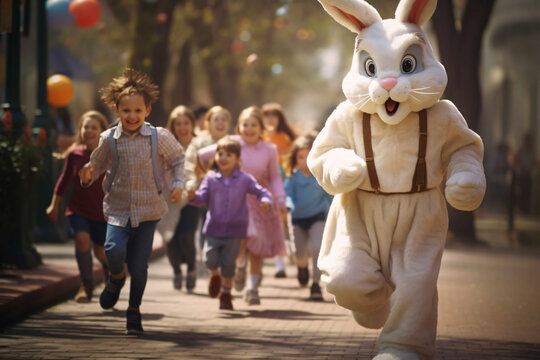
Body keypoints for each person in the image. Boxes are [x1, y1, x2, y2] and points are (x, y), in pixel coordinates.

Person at [79, 68, 185, 335]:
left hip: (149, 212)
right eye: (126, 111)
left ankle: (134, 311)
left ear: (147, 110)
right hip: (118, 210)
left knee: (138, 267)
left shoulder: (159, 137)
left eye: (138, 111)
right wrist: (88, 175)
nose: (132, 116)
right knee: (113, 250)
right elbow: (96, 166)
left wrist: (176, 184)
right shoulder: (109, 139)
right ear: (117, 110)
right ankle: (115, 277)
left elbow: (178, 159)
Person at [198, 106, 287, 305]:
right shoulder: (232, 144)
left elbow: (275, 178)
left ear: (261, 128)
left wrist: (280, 200)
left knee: (256, 247)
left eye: (253, 125)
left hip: (260, 202)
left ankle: (252, 289)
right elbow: (202, 155)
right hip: (235, 203)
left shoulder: (269, 149)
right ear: (239, 127)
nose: (249, 129)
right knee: (240, 246)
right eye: (245, 124)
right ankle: (239, 267)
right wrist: (210, 177)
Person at [188, 137, 272, 310]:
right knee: (209, 260)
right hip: (213, 229)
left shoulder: (244, 179)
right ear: (215, 157)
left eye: (229, 155)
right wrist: (192, 197)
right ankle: (215, 275)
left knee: (229, 264)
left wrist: (265, 200)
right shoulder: (210, 179)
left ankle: (226, 294)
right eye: (220, 154)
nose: (223, 157)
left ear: (238, 160)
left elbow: (261, 191)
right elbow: (201, 198)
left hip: (236, 231)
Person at [46, 110, 110, 303]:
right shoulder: (74, 155)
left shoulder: (108, 155)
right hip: (78, 209)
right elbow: (64, 181)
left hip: (102, 212)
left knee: (100, 252)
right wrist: (54, 206)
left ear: (102, 132)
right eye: (86, 127)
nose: (89, 130)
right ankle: (86, 285)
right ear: (80, 130)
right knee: (81, 239)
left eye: (94, 127)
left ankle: (111, 273)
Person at [284, 134, 333, 301]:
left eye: (308, 156)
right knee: (299, 252)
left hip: (316, 216)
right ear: (295, 158)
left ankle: (315, 284)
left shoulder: (320, 176)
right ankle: (302, 267)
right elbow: (287, 194)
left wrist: (336, 207)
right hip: (297, 218)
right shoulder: (292, 177)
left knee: (316, 247)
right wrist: (288, 205)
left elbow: (329, 195)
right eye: (300, 157)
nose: (304, 160)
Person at [164, 105, 199, 292]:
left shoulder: (199, 144)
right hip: (170, 199)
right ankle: (177, 271)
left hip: (192, 200)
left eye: (186, 123)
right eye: (178, 124)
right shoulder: (166, 145)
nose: (183, 127)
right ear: (173, 126)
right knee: (171, 239)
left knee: (186, 236)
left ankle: (192, 270)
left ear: (192, 124)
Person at [262, 102, 298, 279]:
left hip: (284, 183)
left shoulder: (286, 137)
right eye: (266, 115)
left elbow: (296, 158)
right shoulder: (260, 137)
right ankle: (270, 264)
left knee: (280, 222)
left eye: (273, 115)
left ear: (279, 118)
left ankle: (284, 260)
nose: (270, 119)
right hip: (264, 185)